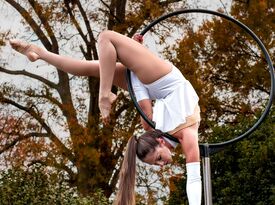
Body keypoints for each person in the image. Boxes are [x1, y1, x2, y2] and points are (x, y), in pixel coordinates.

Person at [9, 30, 202, 205]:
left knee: (96, 59)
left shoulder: (151, 127)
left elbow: (140, 91)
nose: (162, 165)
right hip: (162, 81)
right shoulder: (184, 136)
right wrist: (133, 59)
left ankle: (38, 52)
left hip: (155, 82)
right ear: (160, 141)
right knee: (104, 47)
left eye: (156, 162)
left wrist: (134, 62)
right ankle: (103, 94)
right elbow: (194, 179)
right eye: (159, 159)